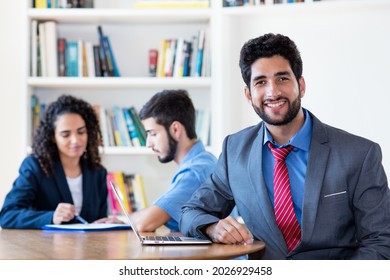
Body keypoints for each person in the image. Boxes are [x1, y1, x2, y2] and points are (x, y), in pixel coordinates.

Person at [180, 33, 390, 259]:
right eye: (261, 82)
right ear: (248, 94)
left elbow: (380, 241)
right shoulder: (235, 150)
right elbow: (191, 212)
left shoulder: (358, 154)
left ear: (301, 85)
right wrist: (212, 228)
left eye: (282, 79)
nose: (272, 92)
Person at [98, 89, 217, 232]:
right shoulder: (202, 161)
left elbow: (145, 223)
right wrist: (131, 219)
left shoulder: (195, 172)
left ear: (175, 129)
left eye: (153, 134)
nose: (148, 143)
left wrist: (130, 220)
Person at [0, 94, 116, 229]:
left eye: (81, 132)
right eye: (65, 134)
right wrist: (51, 217)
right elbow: (7, 215)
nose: (75, 140)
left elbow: (98, 221)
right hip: (45, 248)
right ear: (53, 137)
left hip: (88, 248)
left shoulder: (97, 172)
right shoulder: (36, 167)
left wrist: (109, 224)